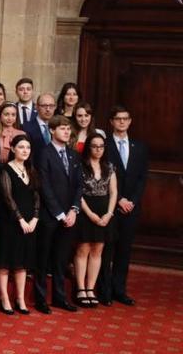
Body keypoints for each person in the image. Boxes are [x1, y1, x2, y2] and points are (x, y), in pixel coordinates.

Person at [98, 105, 148, 306]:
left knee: (124, 250)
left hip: (131, 208)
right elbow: (101, 174)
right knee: (106, 249)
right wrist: (118, 199)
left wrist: (132, 201)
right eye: (118, 118)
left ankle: (120, 289)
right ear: (111, 122)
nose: (122, 122)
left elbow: (142, 178)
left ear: (130, 121)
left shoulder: (140, 147)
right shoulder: (104, 145)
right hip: (110, 205)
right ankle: (104, 290)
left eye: (125, 118)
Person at [33, 115, 83, 314]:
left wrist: (73, 210)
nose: (66, 132)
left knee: (61, 259)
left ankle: (60, 297)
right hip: (49, 215)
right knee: (43, 259)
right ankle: (40, 299)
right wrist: (60, 213)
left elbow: (79, 185)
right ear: (52, 130)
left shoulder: (74, 155)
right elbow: (44, 185)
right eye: (62, 128)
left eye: (68, 129)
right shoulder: (43, 153)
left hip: (70, 215)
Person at [0, 135, 40, 315]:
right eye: (21, 147)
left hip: (29, 223)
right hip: (10, 222)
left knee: (22, 264)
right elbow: (8, 198)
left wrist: (35, 218)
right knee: (5, 262)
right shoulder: (5, 169)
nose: (25, 151)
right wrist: (20, 219)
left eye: (28, 147)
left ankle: (20, 299)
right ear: (12, 149)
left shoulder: (31, 169)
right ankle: (4, 298)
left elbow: (37, 195)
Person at [73, 133, 117, 308]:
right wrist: (90, 214)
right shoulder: (80, 166)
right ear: (88, 147)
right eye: (94, 146)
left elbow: (113, 192)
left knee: (98, 249)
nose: (98, 149)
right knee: (83, 249)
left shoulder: (110, 166)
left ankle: (90, 288)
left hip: (105, 211)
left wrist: (109, 214)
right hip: (86, 210)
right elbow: (78, 192)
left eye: (101, 146)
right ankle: (80, 288)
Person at [22, 93, 57, 162]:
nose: (48, 109)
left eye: (51, 106)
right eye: (44, 106)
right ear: (36, 107)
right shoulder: (26, 128)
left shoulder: (59, 127)